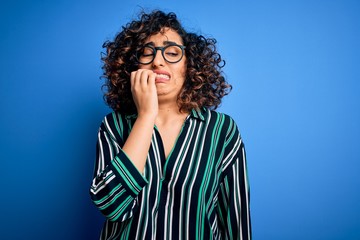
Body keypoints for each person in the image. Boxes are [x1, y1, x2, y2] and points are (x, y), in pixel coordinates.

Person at [89, 10, 251, 240]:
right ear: (134, 68)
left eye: (172, 52)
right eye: (147, 53)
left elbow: (236, 222)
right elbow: (112, 206)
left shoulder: (222, 131)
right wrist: (146, 115)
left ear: (189, 65)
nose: (157, 61)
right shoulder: (113, 126)